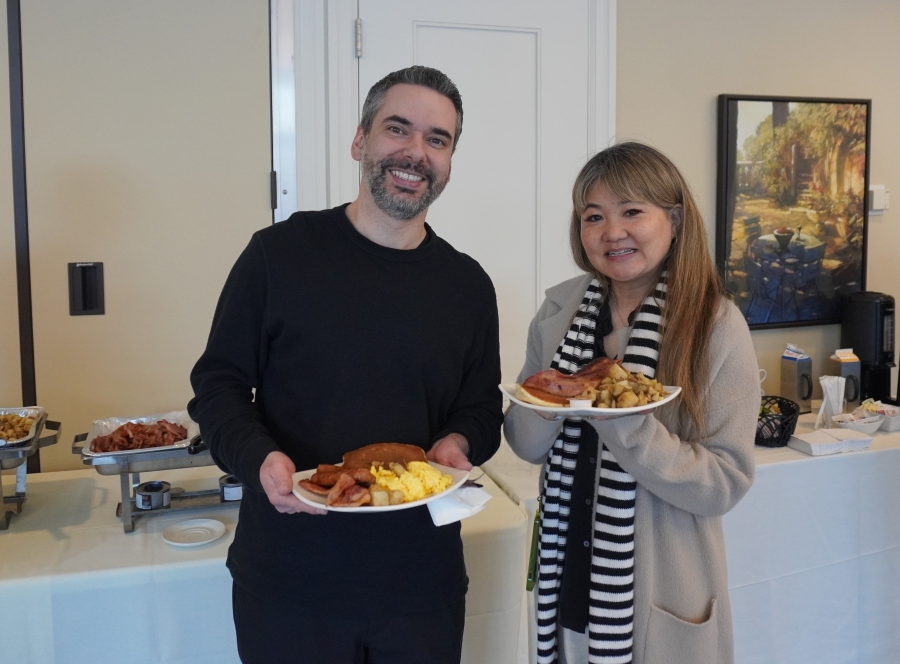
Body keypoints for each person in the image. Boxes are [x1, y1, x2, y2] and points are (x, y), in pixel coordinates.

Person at [189, 66, 502, 664]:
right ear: (361, 141)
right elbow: (217, 386)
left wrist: (460, 440)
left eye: (437, 139)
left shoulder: (466, 285)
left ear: (450, 158)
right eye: (398, 129)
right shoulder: (277, 256)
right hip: (289, 579)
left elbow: (481, 404)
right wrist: (260, 459)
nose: (416, 152)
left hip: (420, 585)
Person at [504, 142, 759, 664]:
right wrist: (549, 402)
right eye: (593, 216)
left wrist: (619, 420)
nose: (611, 231)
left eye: (632, 212)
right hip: (566, 576)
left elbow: (724, 483)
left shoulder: (714, 324)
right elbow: (525, 444)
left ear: (675, 218)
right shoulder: (559, 310)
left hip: (658, 586)